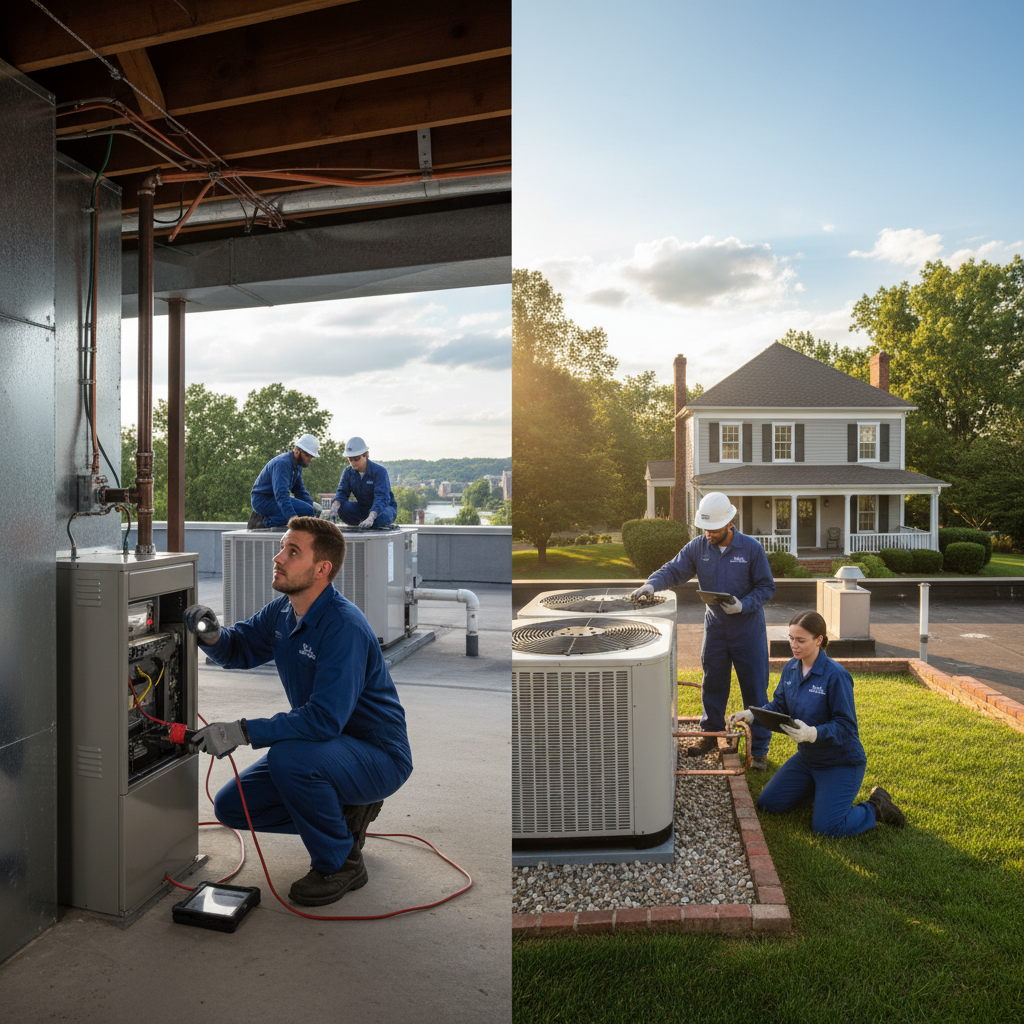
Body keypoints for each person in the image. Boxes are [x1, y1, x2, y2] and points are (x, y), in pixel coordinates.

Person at [183, 516, 413, 906]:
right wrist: (213, 634)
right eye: (282, 548)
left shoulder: (344, 627)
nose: (278, 558)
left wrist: (241, 731)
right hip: (326, 751)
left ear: (322, 569)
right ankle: (344, 819)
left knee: (290, 756)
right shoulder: (283, 612)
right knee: (232, 806)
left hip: (377, 755)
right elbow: (240, 647)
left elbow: (324, 719)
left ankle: (340, 862)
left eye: (292, 552)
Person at [630, 492, 776, 770]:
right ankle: (711, 734)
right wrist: (651, 584)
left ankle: (758, 750)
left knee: (755, 688)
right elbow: (673, 570)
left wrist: (743, 605)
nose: (709, 534)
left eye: (715, 530)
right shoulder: (698, 547)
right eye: (705, 529)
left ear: (730, 523)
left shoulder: (751, 549)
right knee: (713, 683)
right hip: (716, 629)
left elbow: (766, 587)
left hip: (748, 630)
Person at [730, 610, 905, 834]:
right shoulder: (791, 668)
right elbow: (778, 706)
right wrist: (752, 714)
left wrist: (813, 733)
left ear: (819, 640)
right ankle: (822, 792)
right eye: (791, 638)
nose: (794, 645)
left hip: (840, 761)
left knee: (826, 827)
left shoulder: (836, 676)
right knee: (768, 804)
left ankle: (875, 807)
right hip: (808, 758)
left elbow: (846, 726)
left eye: (801, 640)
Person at [248, 434, 323, 529]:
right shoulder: (282, 463)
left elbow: (300, 491)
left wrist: (312, 505)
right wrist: (292, 517)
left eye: (312, 457)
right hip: (263, 500)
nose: (309, 459)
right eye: (307, 455)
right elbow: (281, 494)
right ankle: (263, 521)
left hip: (275, 498)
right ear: (297, 450)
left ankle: (276, 517)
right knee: (293, 517)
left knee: (308, 512)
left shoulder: (297, 466)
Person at [326, 436, 398, 529]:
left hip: (384, 509)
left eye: (356, 459)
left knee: (380, 517)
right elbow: (342, 493)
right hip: (363, 508)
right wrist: (333, 510)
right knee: (343, 509)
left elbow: (381, 498)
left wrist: (371, 517)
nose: (353, 463)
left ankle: (373, 521)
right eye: (350, 460)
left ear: (365, 455)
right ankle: (364, 522)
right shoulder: (348, 472)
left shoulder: (379, 471)